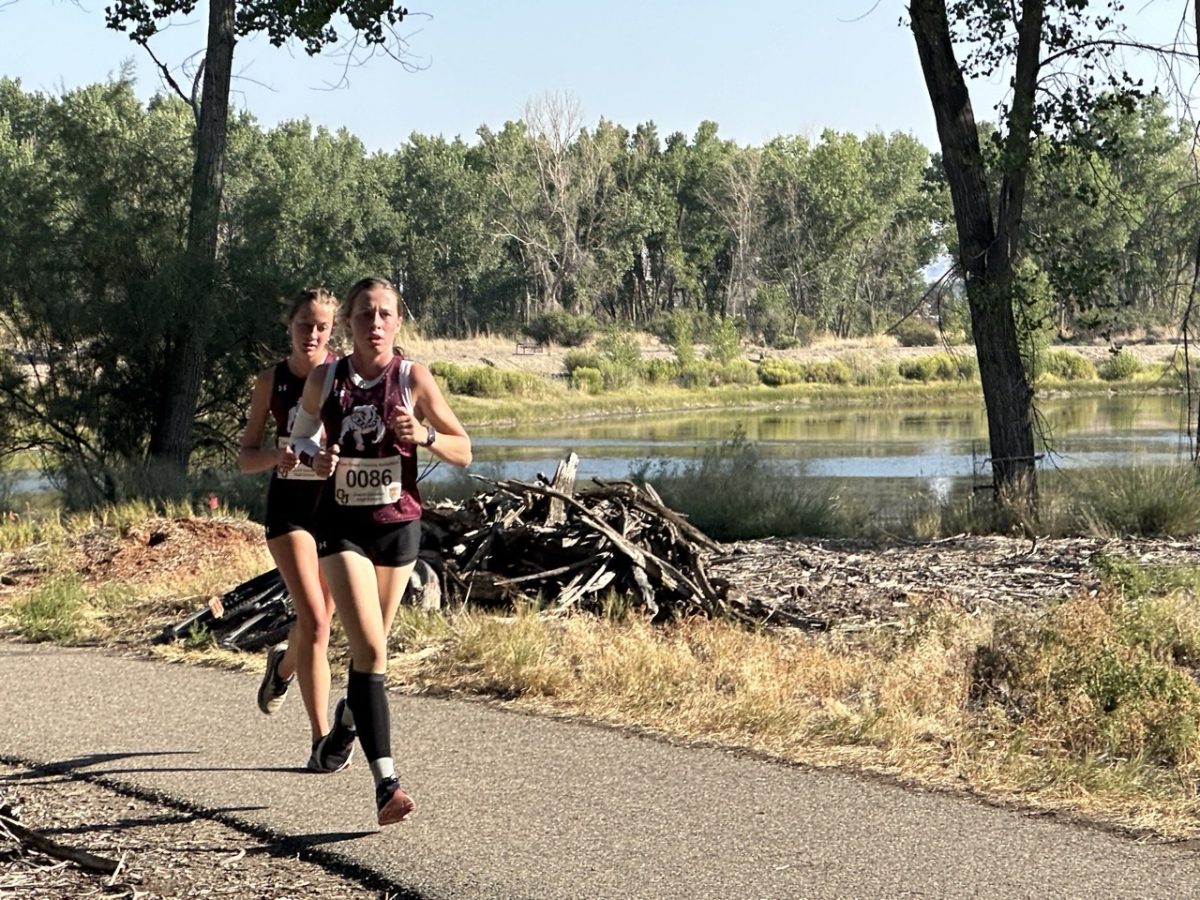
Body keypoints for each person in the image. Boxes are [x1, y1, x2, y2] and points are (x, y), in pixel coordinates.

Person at [289, 276, 471, 826]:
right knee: (370, 649)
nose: (375, 324)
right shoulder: (326, 378)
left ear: (398, 321)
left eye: (385, 314)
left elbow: (464, 449)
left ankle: (347, 720)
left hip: (398, 529)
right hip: (341, 529)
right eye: (365, 314)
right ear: (349, 322)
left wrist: (425, 436)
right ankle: (385, 784)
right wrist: (311, 458)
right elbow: (297, 442)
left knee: (372, 657)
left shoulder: (413, 377)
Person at [237, 287, 344, 772]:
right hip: (289, 515)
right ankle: (322, 740)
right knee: (318, 622)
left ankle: (281, 668)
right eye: (305, 325)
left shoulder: (344, 376)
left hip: (338, 511)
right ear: (290, 326)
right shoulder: (270, 381)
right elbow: (244, 457)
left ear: (332, 330)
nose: (313, 335)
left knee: (317, 619)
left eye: (322, 327)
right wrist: (274, 458)